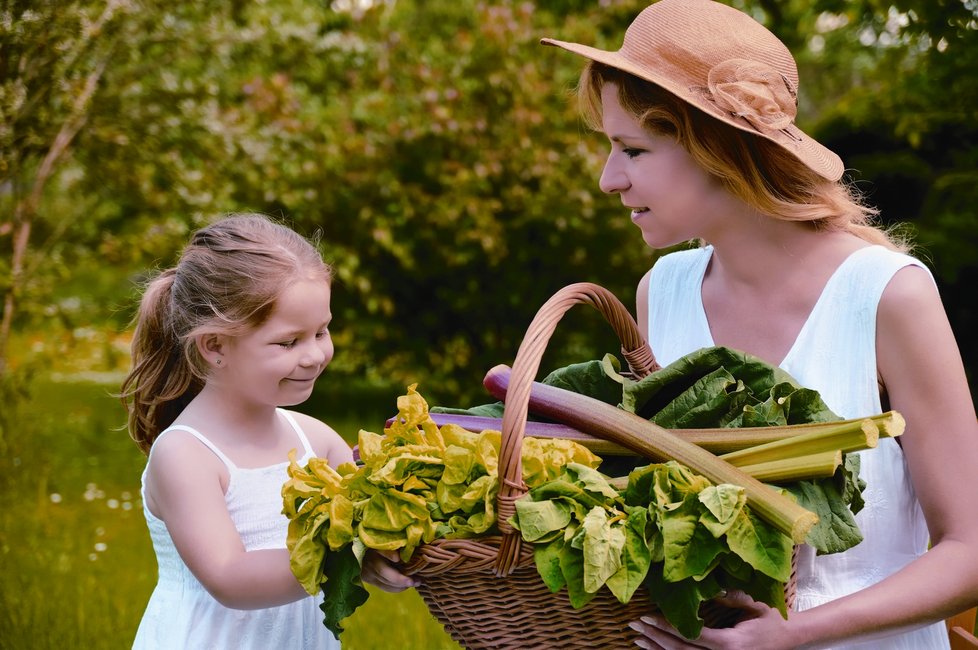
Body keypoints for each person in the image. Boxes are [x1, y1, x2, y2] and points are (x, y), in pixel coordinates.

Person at [538, 0, 978, 648]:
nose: (609, 179)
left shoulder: (887, 295)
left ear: (716, 147)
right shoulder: (662, 292)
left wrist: (794, 635)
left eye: (631, 148)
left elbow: (969, 552)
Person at [120, 213, 354, 649]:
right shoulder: (187, 455)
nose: (314, 355)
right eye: (288, 342)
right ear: (215, 346)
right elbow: (231, 577)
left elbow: (373, 511)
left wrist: (399, 551)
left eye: (321, 331)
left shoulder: (316, 440)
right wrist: (354, 554)